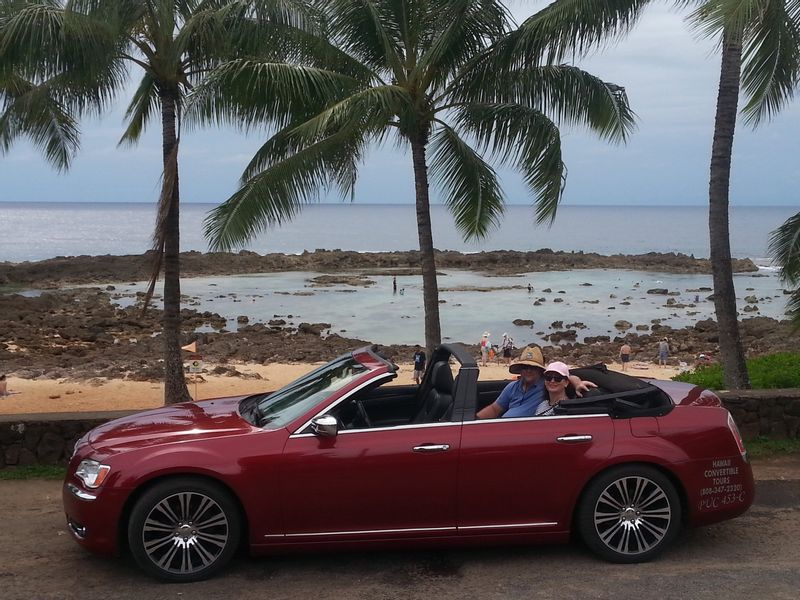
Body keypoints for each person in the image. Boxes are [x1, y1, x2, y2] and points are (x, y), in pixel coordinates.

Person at [476, 346, 594, 419]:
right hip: (505, 429)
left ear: (540, 370)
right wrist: (475, 420)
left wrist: (578, 383)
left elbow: (566, 377)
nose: (528, 370)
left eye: (533, 367)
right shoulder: (512, 387)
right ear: (520, 369)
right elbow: (494, 409)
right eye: (525, 367)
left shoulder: (547, 383)